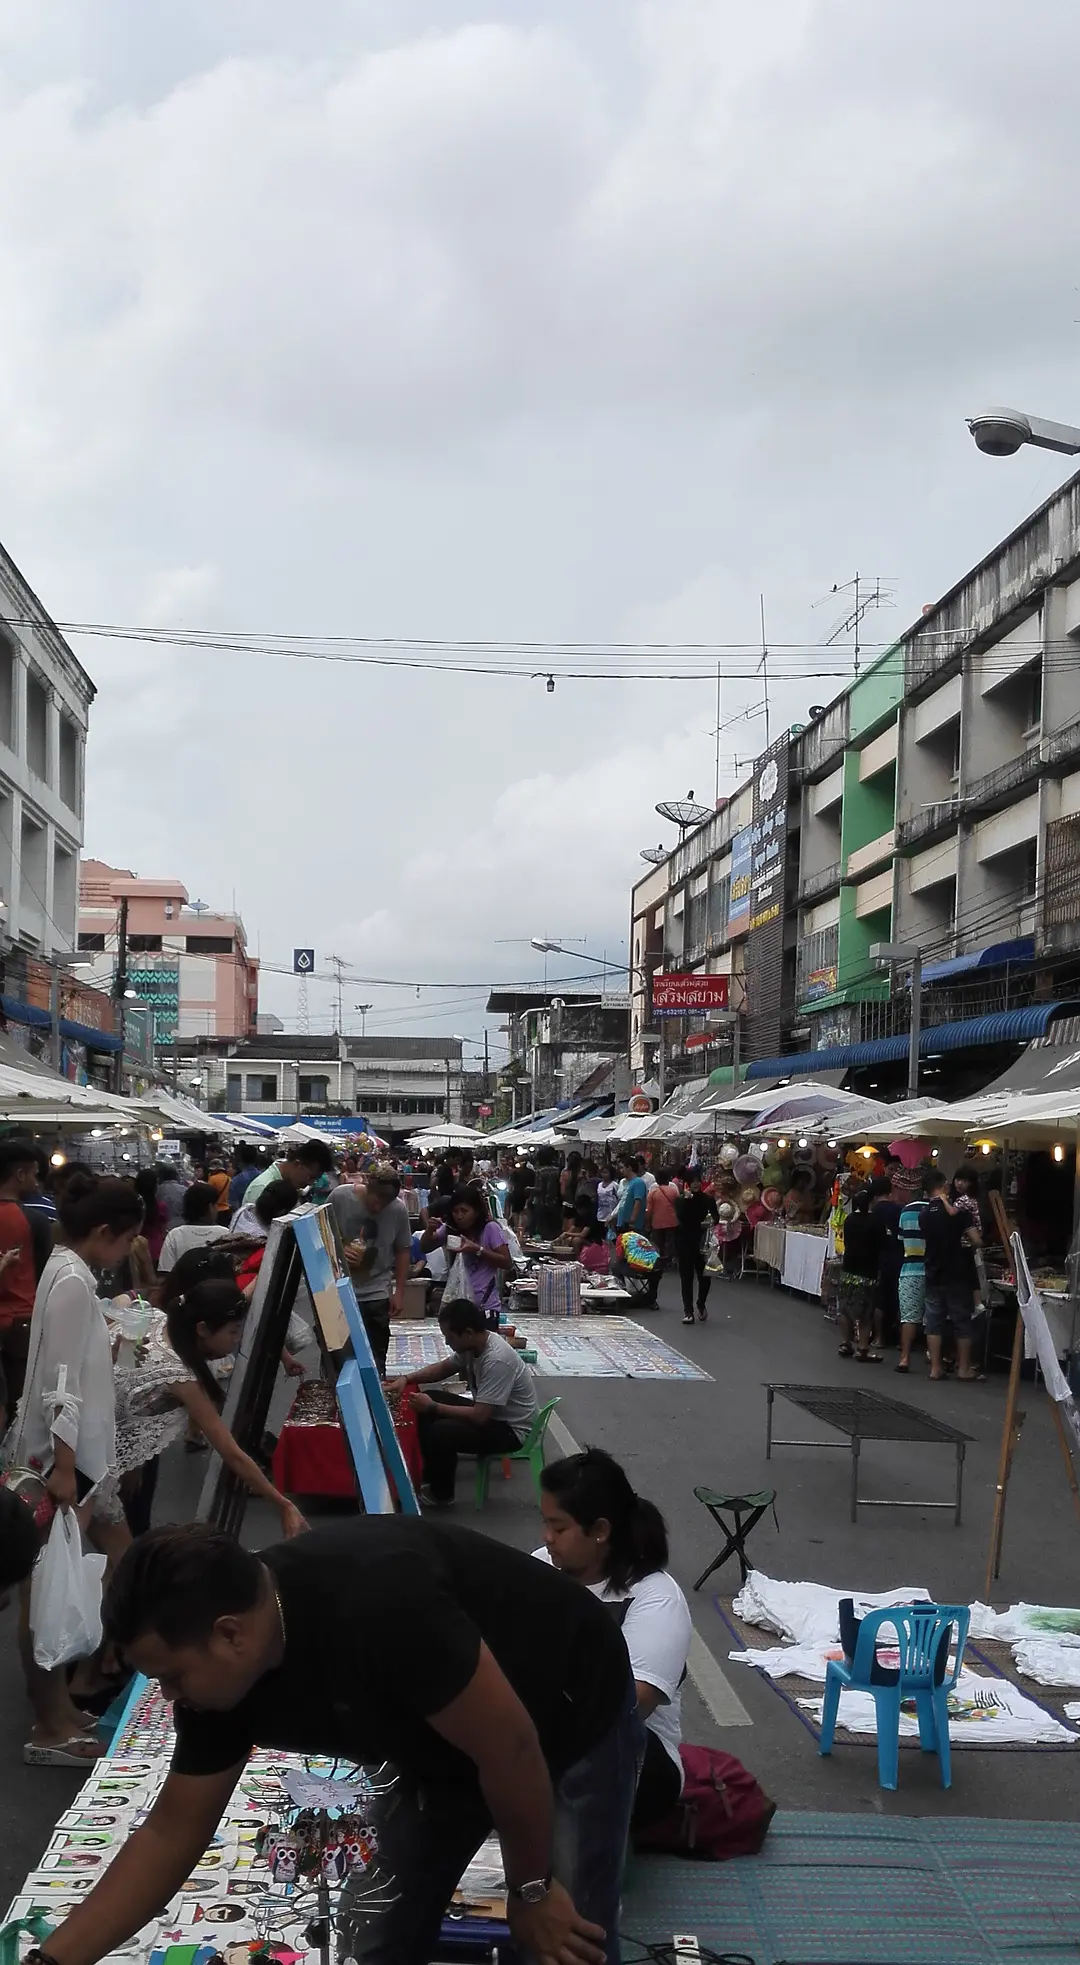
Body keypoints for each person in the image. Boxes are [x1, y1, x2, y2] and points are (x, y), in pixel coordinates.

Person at [40, 1519, 637, 1965]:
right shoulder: (217, 1681)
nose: (167, 1697)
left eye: (170, 1676)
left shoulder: (379, 1605)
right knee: (375, 1933)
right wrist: (51, 1961)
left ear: (230, 1636)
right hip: (439, 1749)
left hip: (566, 1708)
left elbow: (511, 1751)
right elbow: (171, 1833)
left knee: (562, 1938)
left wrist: (529, 1889)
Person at [4, 1172, 144, 1765]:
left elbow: (64, 1370)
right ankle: (50, 1722)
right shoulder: (71, 1282)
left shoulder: (67, 1274)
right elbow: (60, 1386)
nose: (128, 1253)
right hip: (61, 1461)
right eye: (128, 1241)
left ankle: (65, 1701)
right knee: (47, 1586)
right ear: (107, 1232)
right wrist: (64, 1467)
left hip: (73, 1457)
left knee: (84, 1568)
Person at [536, 1448, 691, 1831]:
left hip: (635, 1753)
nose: (547, 1538)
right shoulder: (539, 1567)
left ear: (601, 1530)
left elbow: (632, 1705)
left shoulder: (655, 1596)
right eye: (546, 1524)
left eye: (559, 1528)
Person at [114, 1274, 307, 1540]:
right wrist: (283, 1504)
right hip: (96, 1462)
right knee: (120, 1550)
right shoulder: (178, 1375)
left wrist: (134, 1462)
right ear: (203, 1329)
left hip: (118, 1455)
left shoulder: (161, 1321)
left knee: (124, 1545)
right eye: (232, 1331)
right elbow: (231, 1451)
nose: (236, 1339)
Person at [397, 1299, 540, 1506]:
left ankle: (442, 1494)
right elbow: (443, 1369)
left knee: (440, 1430)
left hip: (510, 1430)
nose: (447, 1343)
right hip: (493, 1416)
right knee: (434, 1397)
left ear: (469, 1332)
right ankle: (431, 1475)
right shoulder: (473, 1346)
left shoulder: (497, 1360)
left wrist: (433, 1407)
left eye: (450, 1337)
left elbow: (480, 1416)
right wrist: (407, 1379)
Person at [328, 1162, 411, 1373]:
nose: (378, 1206)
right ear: (367, 1186)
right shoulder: (340, 1198)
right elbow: (320, 1234)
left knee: (375, 1356)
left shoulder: (398, 1209)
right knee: (338, 1356)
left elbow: (402, 1250)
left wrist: (399, 1292)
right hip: (338, 1289)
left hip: (376, 1291)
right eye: (376, 1199)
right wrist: (339, 1250)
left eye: (386, 1202)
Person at [0, 1138, 45, 1436]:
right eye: (33, 1173)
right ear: (19, 1175)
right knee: (21, 1406)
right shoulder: (34, 1220)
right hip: (23, 1324)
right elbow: (45, 1276)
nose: (36, 1181)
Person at [419, 1186, 511, 1332]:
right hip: (458, 1305)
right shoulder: (451, 1229)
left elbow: (506, 1262)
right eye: (455, 1211)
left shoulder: (490, 1228)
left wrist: (477, 1250)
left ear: (476, 1212)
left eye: (464, 1211)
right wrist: (429, 1230)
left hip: (485, 1306)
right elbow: (425, 1247)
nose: (459, 1216)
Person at [922, 1171, 983, 1381]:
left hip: (932, 1271)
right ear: (945, 1186)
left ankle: (935, 1368)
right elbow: (976, 1240)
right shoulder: (960, 1214)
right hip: (957, 1272)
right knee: (962, 1322)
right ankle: (964, 1368)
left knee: (934, 1321)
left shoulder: (924, 1214)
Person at [837, 1185, 884, 1362]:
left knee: (845, 1307)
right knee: (866, 1310)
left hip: (849, 1268)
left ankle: (845, 1342)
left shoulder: (849, 1220)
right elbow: (882, 1244)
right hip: (868, 1271)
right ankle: (863, 1348)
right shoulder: (876, 1223)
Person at [241, 1139, 335, 1217]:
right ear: (298, 1164)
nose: (311, 1183)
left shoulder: (292, 1188)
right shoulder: (262, 1187)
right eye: (311, 1177)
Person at [673, 1168, 719, 1325]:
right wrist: (686, 1200)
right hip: (684, 1241)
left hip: (703, 1242)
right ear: (687, 1183)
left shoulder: (708, 1199)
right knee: (686, 1277)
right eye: (692, 1181)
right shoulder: (680, 1200)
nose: (695, 1184)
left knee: (705, 1276)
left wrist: (710, 1222)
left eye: (697, 1181)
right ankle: (688, 1311)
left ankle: (700, 1302)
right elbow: (680, 1217)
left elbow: (716, 1217)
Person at [157, 1182, 232, 1276]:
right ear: (210, 1207)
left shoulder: (175, 1235)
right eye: (215, 1205)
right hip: (219, 1290)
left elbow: (165, 1273)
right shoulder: (225, 1234)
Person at [896, 1178, 929, 1373]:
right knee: (935, 1317)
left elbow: (901, 1239)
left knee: (909, 1317)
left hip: (910, 1269)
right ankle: (934, 1359)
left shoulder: (905, 1211)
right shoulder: (939, 1211)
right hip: (933, 1268)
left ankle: (904, 1358)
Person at [869, 1173, 903, 1348]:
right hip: (899, 1258)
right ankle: (900, 1340)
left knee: (879, 1300)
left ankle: (879, 1338)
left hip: (879, 1259)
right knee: (898, 1299)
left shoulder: (873, 1212)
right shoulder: (899, 1210)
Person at [645, 1170, 680, 1271]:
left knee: (659, 1243)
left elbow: (649, 1210)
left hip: (657, 1222)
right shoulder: (673, 1191)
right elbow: (678, 1205)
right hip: (672, 1221)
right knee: (670, 1242)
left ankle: (661, 1261)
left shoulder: (653, 1192)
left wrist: (647, 1222)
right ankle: (669, 1261)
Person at [134, 1169, 168, 1268]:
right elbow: (162, 1229)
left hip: (135, 1248)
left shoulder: (133, 1205)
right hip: (155, 1249)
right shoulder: (160, 1206)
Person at [529, 1147, 562, 1241]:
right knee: (554, 1228)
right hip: (555, 1202)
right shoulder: (557, 1170)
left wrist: (529, 1190)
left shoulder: (540, 1171)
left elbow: (539, 1188)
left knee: (542, 1227)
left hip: (541, 1202)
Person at [615, 1158, 648, 1238]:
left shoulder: (638, 1182)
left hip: (632, 1225)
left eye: (622, 1167)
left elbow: (638, 1202)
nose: (621, 1170)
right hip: (622, 1222)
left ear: (629, 1167)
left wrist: (632, 1220)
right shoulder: (626, 1183)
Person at [154, 1160, 188, 1231]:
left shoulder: (157, 1190)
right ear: (176, 1176)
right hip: (182, 1225)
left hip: (162, 1226)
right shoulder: (184, 1190)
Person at [228, 1146, 261, 1216]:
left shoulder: (236, 1181)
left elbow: (233, 1205)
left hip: (243, 1218)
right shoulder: (263, 1176)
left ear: (239, 1160)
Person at [596, 1166, 619, 1231]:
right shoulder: (599, 1185)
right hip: (600, 1214)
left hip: (611, 1215)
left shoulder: (614, 1185)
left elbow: (618, 1198)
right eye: (603, 1172)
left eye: (606, 1173)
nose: (604, 1175)